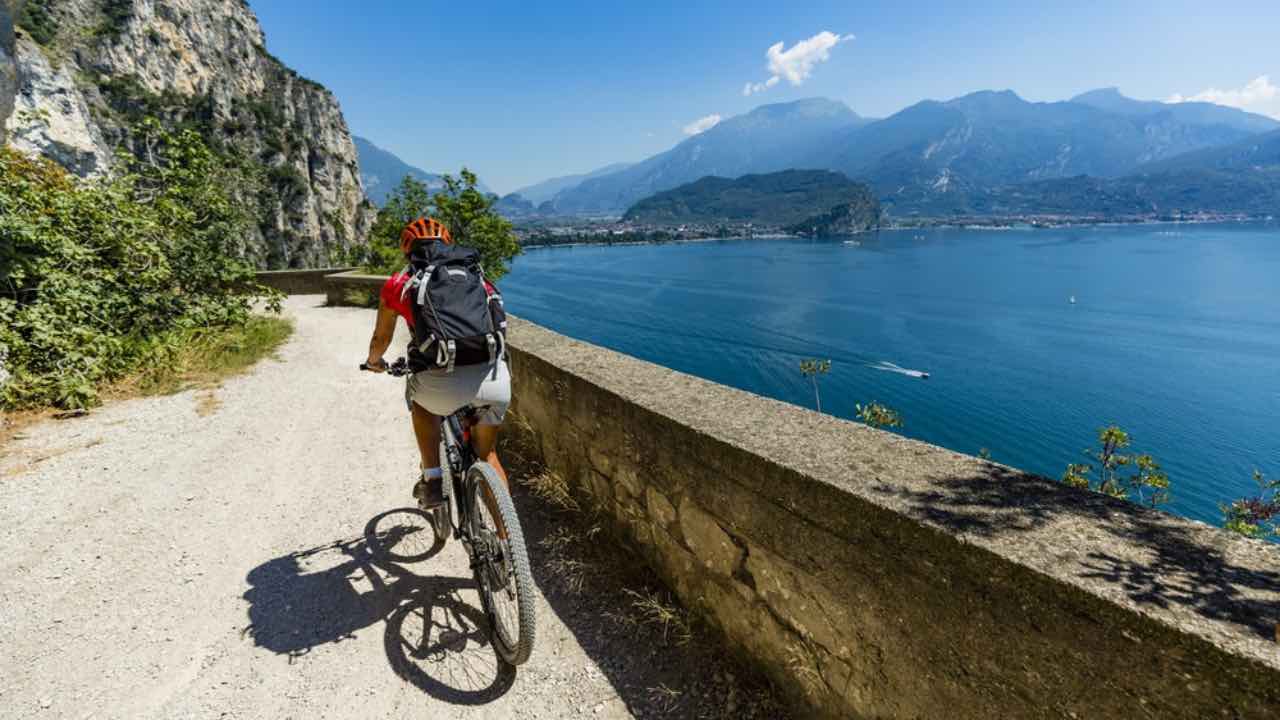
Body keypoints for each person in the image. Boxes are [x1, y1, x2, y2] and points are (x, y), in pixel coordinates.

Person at [363, 216, 512, 506]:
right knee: (489, 454)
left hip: (440, 382)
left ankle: (432, 479)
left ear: (407, 249)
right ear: (447, 243)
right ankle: (510, 547)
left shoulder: (400, 283)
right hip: (494, 379)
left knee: (421, 404)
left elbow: (380, 339)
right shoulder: (476, 276)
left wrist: (374, 362)